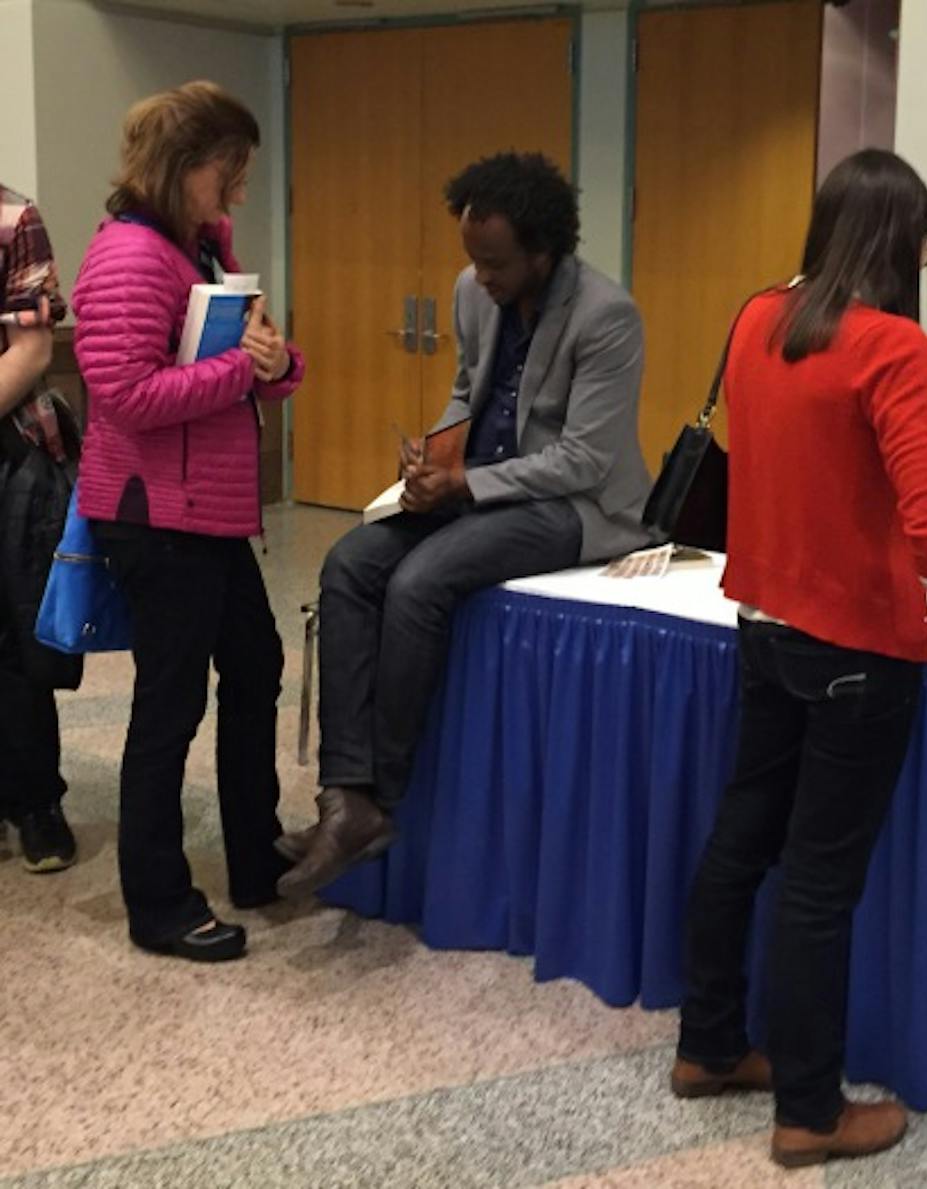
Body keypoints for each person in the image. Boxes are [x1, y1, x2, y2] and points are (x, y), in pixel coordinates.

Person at [672, 149, 927, 1168]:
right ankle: (809, 1110)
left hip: (761, 624)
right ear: (901, 244)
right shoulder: (891, 345)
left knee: (739, 837)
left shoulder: (756, 317)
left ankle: (708, 1047)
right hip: (856, 646)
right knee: (817, 882)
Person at [276, 152, 653, 898]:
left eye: (497, 264)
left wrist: (465, 482)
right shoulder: (469, 289)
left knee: (420, 580)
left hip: (575, 508)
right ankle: (344, 796)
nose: (480, 277)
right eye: (472, 260)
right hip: (480, 482)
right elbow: (465, 390)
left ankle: (382, 790)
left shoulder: (609, 316)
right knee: (350, 561)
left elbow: (582, 459)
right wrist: (435, 453)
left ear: (545, 250)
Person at [71, 81, 305, 961]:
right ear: (185, 168)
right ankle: (159, 904)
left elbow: (260, 357)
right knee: (169, 705)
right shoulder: (132, 257)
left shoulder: (200, 249)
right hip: (155, 517)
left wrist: (277, 362)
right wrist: (244, 375)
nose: (239, 190)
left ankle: (256, 856)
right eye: (229, 172)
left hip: (205, 510)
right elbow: (124, 395)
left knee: (255, 663)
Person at [0, 186, 78, 873]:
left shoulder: (12, 218)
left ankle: (36, 803)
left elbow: (29, 351)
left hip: (10, 449)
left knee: (16, 638)